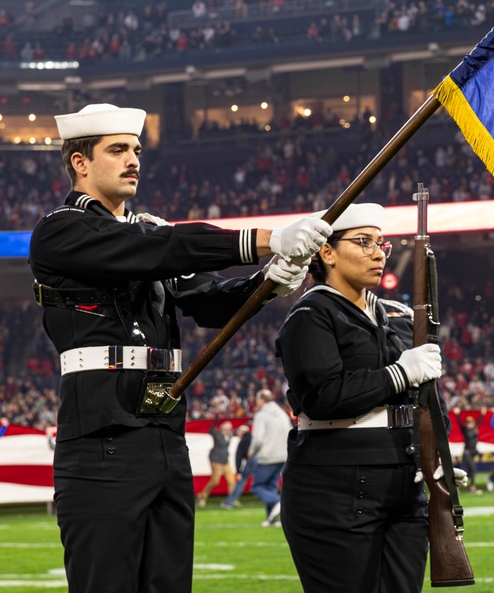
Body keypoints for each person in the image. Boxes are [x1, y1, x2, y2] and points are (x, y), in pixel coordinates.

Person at [28, 103, 333, 592]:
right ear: (80, 162)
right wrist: (269, 239)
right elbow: (158, 252)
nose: (134, 160)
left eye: (136, 150)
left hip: (165, 437)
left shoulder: (148, 230)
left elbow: (209, 303)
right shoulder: (61, 229)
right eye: (118, 150)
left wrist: (267, 283)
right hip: (102, 438)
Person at [276, 203, 459, 592]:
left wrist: (439, 454)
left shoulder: (398, 314)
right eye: (363, 242)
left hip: (404, 482)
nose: (378, 253)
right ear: (326, 252)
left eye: (381, 243)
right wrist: (399, 373)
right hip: (335, 485)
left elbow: (428, 397)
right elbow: (323, 396)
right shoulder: (311, 314)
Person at [249, 389, 292, 527]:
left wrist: (251, 451)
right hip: (282, 455)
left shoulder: (261, 415)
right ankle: (271, 519)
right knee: (270, 487)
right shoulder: (282, 414)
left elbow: (258, 439)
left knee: (258, 487)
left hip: (267, 456)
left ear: (261, 400)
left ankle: (277, 503)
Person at [196, 420, 236, 507]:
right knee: (215, 481)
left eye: (230, 429)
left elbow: (236, 431)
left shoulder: (229, 435)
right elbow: (210, 431)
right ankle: (202, 496)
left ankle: (231, 499)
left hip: (225, 460)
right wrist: (215, 422)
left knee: (231, 481)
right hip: (216, 459)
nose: (229, 430)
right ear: (223, 428)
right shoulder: (217, 434)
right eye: (227, 428)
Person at [221, 424, 253, 509]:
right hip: (264, 461)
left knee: (241, 481)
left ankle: (230, 502)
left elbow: (238, 458)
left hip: (251, 462)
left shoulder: (243, 441)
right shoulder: (254, 437)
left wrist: (239, 472)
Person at [454, 406, 483, 493]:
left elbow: (479, 422)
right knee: (473, 469)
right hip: (467, 453)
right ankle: (472, 487)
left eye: (470, 423)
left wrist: (482, 415)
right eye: (467, 423)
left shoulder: (475, 429)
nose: (469, 424)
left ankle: (457, 483)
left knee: (469, 472)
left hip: (473, 452)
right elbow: (459, 423)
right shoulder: (465, 430)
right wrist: (457, 414)